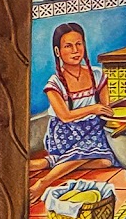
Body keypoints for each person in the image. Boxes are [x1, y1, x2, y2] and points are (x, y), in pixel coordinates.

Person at [42, 22, 114, 165]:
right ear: (57, 51)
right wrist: (93, 108)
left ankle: (51, 163)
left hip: (93, 129)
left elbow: (105, 108)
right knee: (90, 154)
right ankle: (49, 175)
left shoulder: (97, 74)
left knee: (106, 162)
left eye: (79, 44)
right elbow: (65, 116)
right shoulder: (55, 83)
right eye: (68, 46)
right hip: (67, 132)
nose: (75, 50)